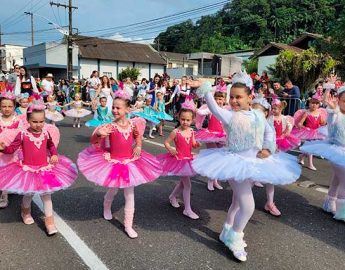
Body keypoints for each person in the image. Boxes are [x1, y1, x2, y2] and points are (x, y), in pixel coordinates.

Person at [190, 72, 301, 262]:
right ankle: (235, 238)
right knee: (248, 206)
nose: (234, 101)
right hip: (235, 163)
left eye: (238, 97)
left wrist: (267, 149)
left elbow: (269, 132)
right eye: (231, 97)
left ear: (250, 97)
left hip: (254, 164)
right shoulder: (229, 115)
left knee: (236, 202)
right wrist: (206, 89)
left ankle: (227, 231)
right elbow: (214, 108)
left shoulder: (258, 114)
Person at [77, 90, 162, 238]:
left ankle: (128, 225)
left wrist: (139, 146)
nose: (115, 110)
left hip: (129, 162)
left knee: (130, 194)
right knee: (113, 189)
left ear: (127, 109)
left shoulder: (132, 124)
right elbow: (94, 141)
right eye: (114, 107)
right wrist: (98, 134)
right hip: (114, 161)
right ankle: (106, 207)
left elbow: (138, 136)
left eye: (118, 108)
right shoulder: (109, 126)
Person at [0, 102, 77, 235]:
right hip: (28, 169)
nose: (38, 124)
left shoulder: (46, 133)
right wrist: (4, 148)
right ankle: (25, 212)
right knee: (28, 194)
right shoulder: (22, 134)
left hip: (44, 168)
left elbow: (51, 146)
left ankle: (50, 222)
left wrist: (54, 155)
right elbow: (13, 148)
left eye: (41, 121)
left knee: (47, 196)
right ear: (28, 121)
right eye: (34, 121)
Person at [300, 88, 345, 221]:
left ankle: (329, 203)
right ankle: (342, 212)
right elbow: (332, 116)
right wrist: (329, 88)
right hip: (337, 151)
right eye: (344, 101)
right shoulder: (336, 115)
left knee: (337, 179)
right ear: (338, 100)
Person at [157, 98, 201, 219]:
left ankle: (172, 197)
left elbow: (193, 143)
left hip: (189, 159)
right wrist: (170, 149)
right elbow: (166, 142)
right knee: (187, 185)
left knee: (183, 183)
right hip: (179, 160)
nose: (185, 122)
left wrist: (196, 145)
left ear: (192, 120)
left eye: (188, 120)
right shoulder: (175, 131)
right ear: (178, 118)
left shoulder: (192, 131)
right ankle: (187, 209)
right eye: (183, 119)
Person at [195, 89, 228, 191]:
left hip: (222, 136)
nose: (218, 101)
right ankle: (210, 180)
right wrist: (194, 107)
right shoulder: (210, 109)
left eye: (220, 99)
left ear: (224, 100)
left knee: (218, 160)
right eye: (216, 98)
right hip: (210, 135)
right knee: (213, 159)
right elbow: (201, 112)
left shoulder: (226, 110)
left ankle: (215, 181)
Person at [0, 92, 24, 209]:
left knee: (8, 172)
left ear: (14, 106)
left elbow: (21, 136)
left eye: (10, 106)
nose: (7, 109)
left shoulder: (17, 120)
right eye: (4, 106)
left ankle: (6, 192)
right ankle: (3, 194)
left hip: (12, 151)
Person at [292, 96, 327, 170]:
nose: (314, 105)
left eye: (316, 104)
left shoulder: (319, 113)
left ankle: (301, 156)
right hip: (308, 132)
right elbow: (300, 123)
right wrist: (302, 127)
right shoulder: (307, 113)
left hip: (317, 131)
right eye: (312, 103)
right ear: (309, 104)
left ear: (318, 105)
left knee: (314, 147)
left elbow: (321, 123)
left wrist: (324, 123)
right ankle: (310, 164)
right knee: (311, 147)